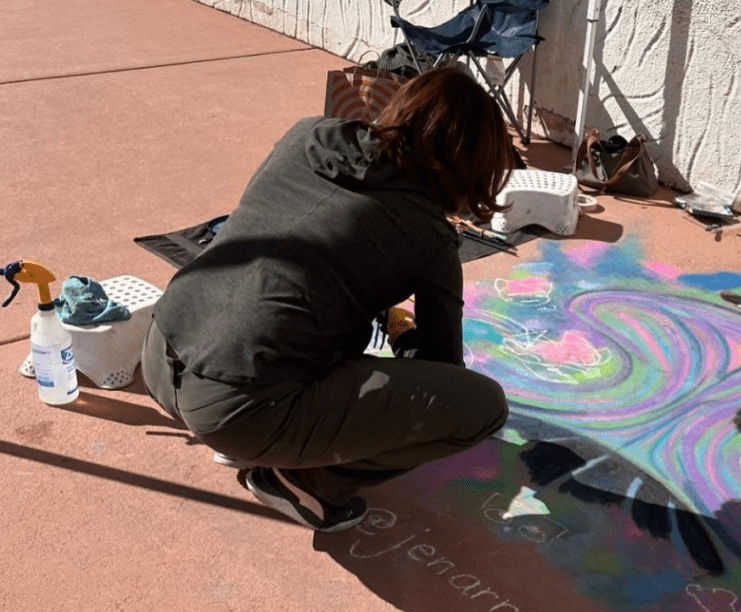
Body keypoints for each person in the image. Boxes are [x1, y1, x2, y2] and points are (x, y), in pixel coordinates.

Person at [141, 67, 516, 532]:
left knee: (315, 323)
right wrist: (403, 333)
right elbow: (443, 374)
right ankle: (305, 481)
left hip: (161, 347)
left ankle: (253, 430)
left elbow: (297, 255)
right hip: (232, 407)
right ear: (471, 166)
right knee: (480, 407)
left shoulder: (306, 135)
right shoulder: (430, 236)